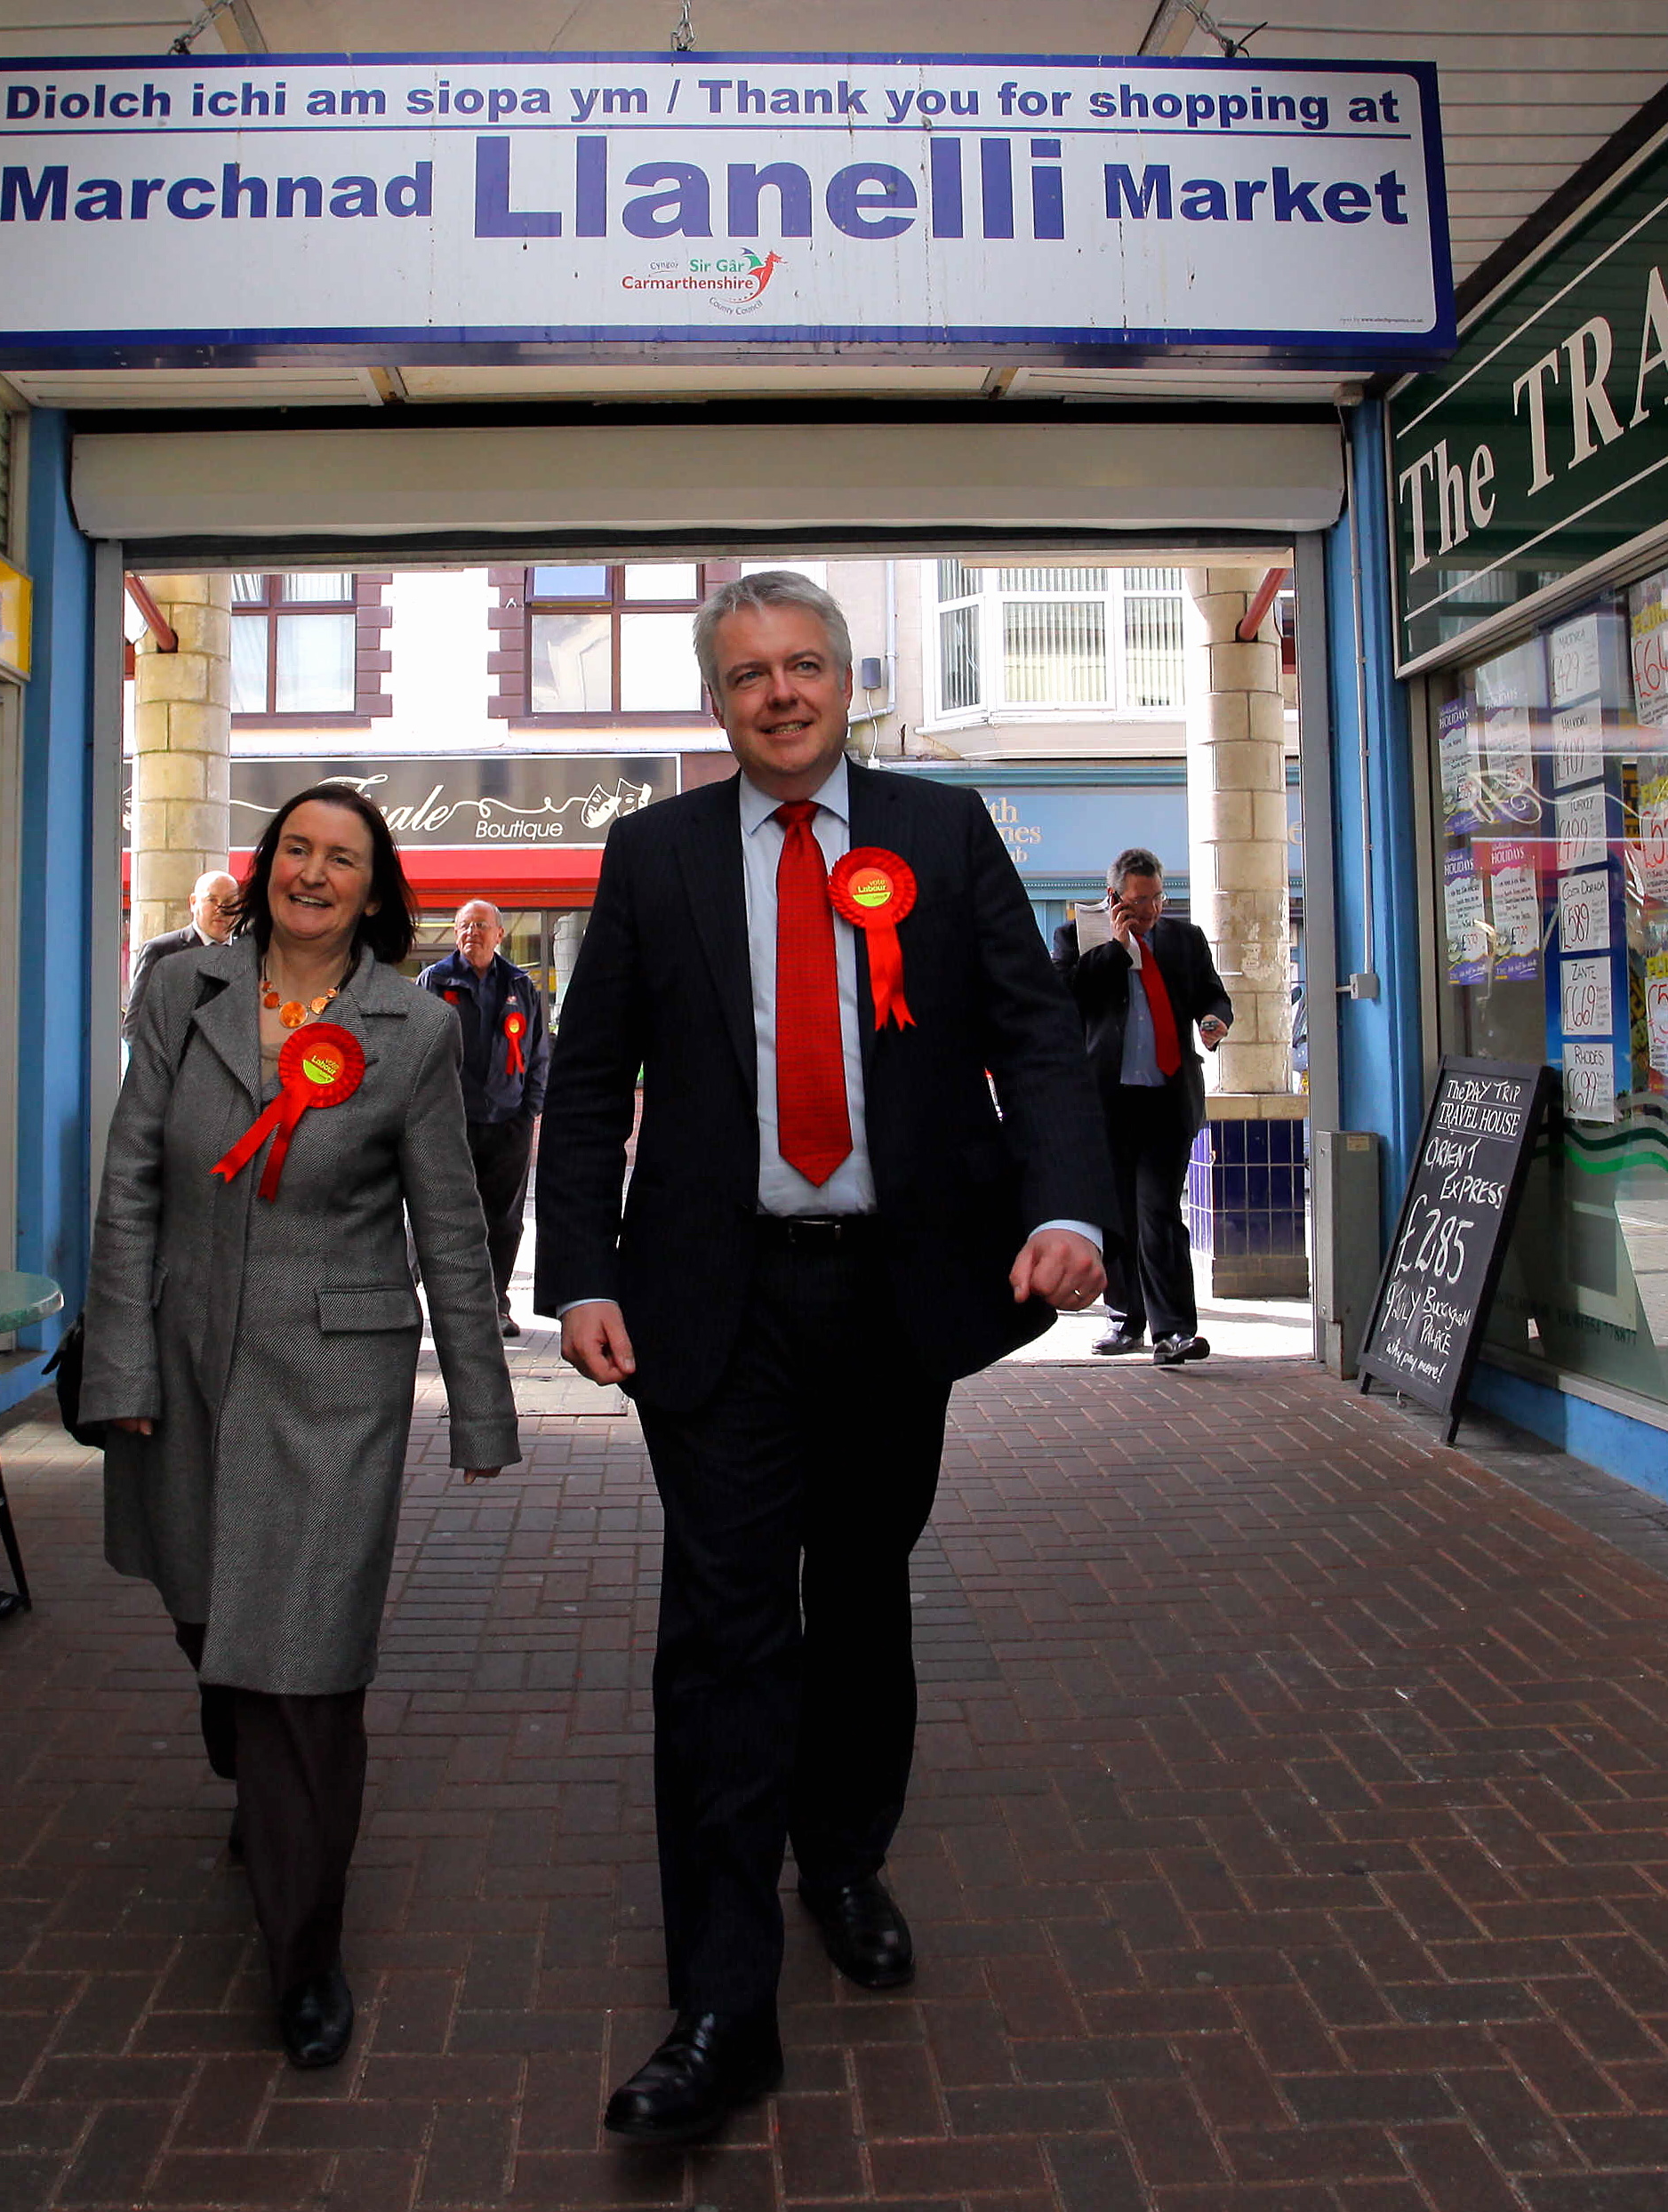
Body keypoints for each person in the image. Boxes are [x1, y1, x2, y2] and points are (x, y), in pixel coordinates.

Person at [536, 571, 1114, 2146]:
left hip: (891, 1298)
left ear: (844, 682)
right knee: (721, 1632)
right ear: (715, 702)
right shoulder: (651, 856)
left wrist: (1067, 1199)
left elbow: (1033, 1033)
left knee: (858, 1590)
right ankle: (720, 2001)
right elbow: (587, 1083)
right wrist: (574, 1271)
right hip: (711, 1306)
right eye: (745, 674)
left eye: (801, 666)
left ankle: (843, 1853)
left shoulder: (937, 830)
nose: (776, 693)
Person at [76, 785, 520, 2070]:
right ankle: (250, 1772)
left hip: (339, 1377)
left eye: (342, 860)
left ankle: (304, 1950)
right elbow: (130, 1193)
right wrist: (119, 1370)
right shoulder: (182, 995)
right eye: (295, 851)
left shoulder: (413, 1031)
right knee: (215, 1621)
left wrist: (480, 1407)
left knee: (306, 1669)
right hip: (187, 1359)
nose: (313, 875)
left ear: (374, 891)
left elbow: (449, 1226)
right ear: (264, 866)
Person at [1053, 849, 1234, 1366]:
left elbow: (1213, 995)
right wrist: (1117, 947)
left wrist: (1214, 1019)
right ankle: (1124, 1320)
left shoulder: (1184, 939)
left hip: (1166, 1099)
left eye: (1158, 897)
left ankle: (1173, 1331)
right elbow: (1064, 997)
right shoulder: (1076, 938)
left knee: (1158, 1210)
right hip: (1106, 1102)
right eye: (1139, 901)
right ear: (1113, 898)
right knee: (1118, 1217)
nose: (1152, 909)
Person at [413, 900, 552, 1337]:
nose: (471, 932)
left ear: (499, 934)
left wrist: (530, 1107)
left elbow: (537, 1049)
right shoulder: (434, 982)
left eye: (480, 925)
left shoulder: (520, 985)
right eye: (464, 926)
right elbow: (414, 1050)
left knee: (504, 1219)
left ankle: (495, 1305)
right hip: (448, 1123)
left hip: (508, 1121)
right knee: (435, 1213)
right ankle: (409, 1303)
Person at [129, 869, 242, 1009]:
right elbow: (137, 1022)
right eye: (212, 900)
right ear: (193, 903)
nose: (220, 908)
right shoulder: (162, 952)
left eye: (229, 901)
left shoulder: (251, 955)